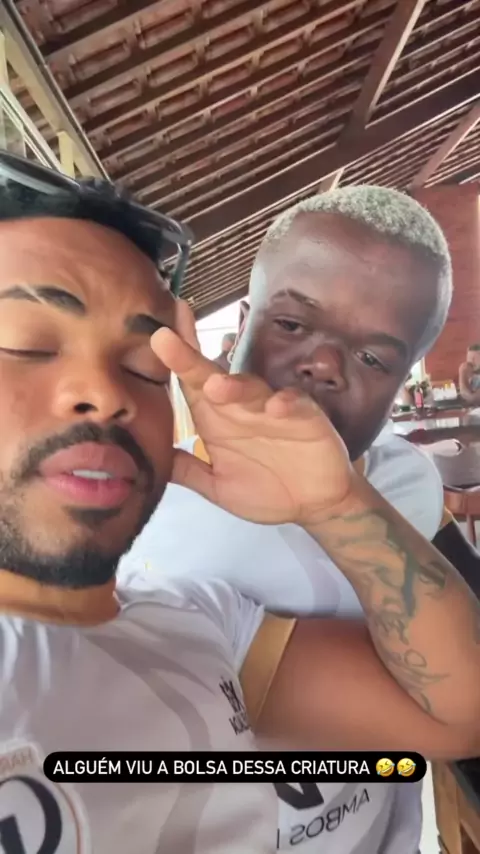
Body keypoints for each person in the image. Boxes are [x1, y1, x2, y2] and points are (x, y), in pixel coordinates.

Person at [1, 157, 478, 854]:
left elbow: (459, 713)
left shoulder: (195, 624)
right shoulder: (163, 546)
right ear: (240, 330)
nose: (102, 392)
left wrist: (336, 505)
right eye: (27, 343)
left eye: (141, 365)